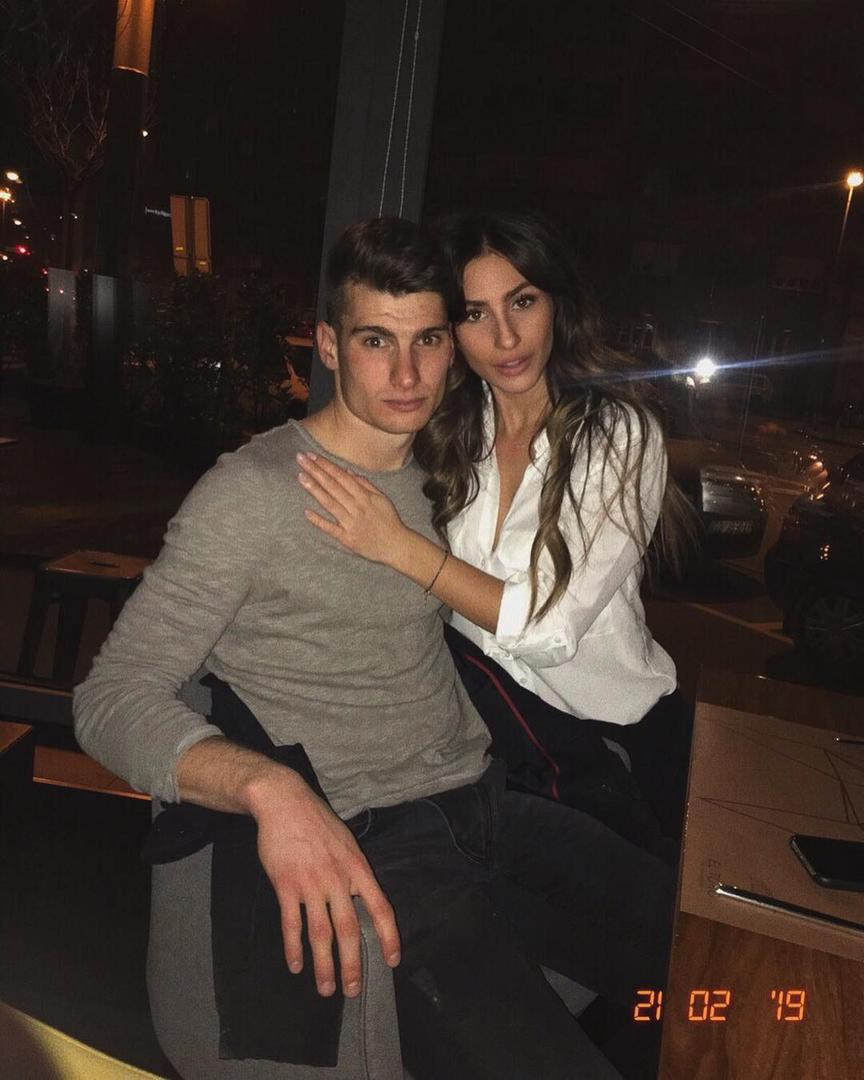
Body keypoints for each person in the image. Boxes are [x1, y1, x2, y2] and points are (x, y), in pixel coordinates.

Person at [74, 217, 674, 1080]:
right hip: (383, 841)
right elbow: (109, 697)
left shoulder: (449, 475)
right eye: (375, 340)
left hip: (486, 802)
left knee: (716, 962)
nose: (406, 374)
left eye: (427, 339)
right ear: (328, 344)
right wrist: (268, 789)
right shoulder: (252, 494)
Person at [297, 210, 696, 859]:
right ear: (451, 331)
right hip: (490, 744)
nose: (506, 337)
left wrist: (398, 546)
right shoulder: (449, 428)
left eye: (523, 302)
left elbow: (548, 630)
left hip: (609, 751)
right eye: (475, 314)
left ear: (557, 302)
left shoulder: (616, 434)